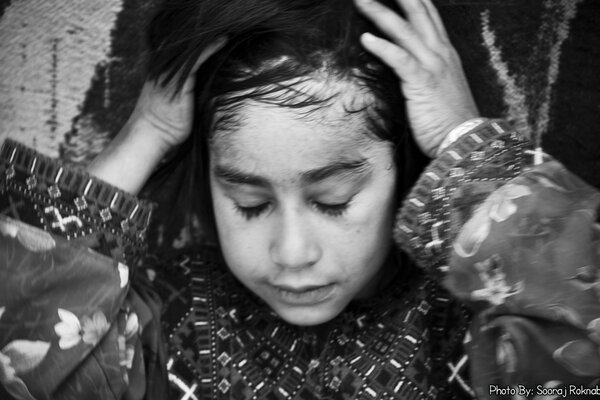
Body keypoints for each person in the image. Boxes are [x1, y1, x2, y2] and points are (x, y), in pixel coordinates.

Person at [0, 0, 598, 399]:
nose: (291, 252)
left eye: (334, 201)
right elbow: (21, 356)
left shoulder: (476, 330)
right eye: (250, 203)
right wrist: (146, 134)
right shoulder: (157, 330)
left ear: (407, 169)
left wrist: (462, 144)